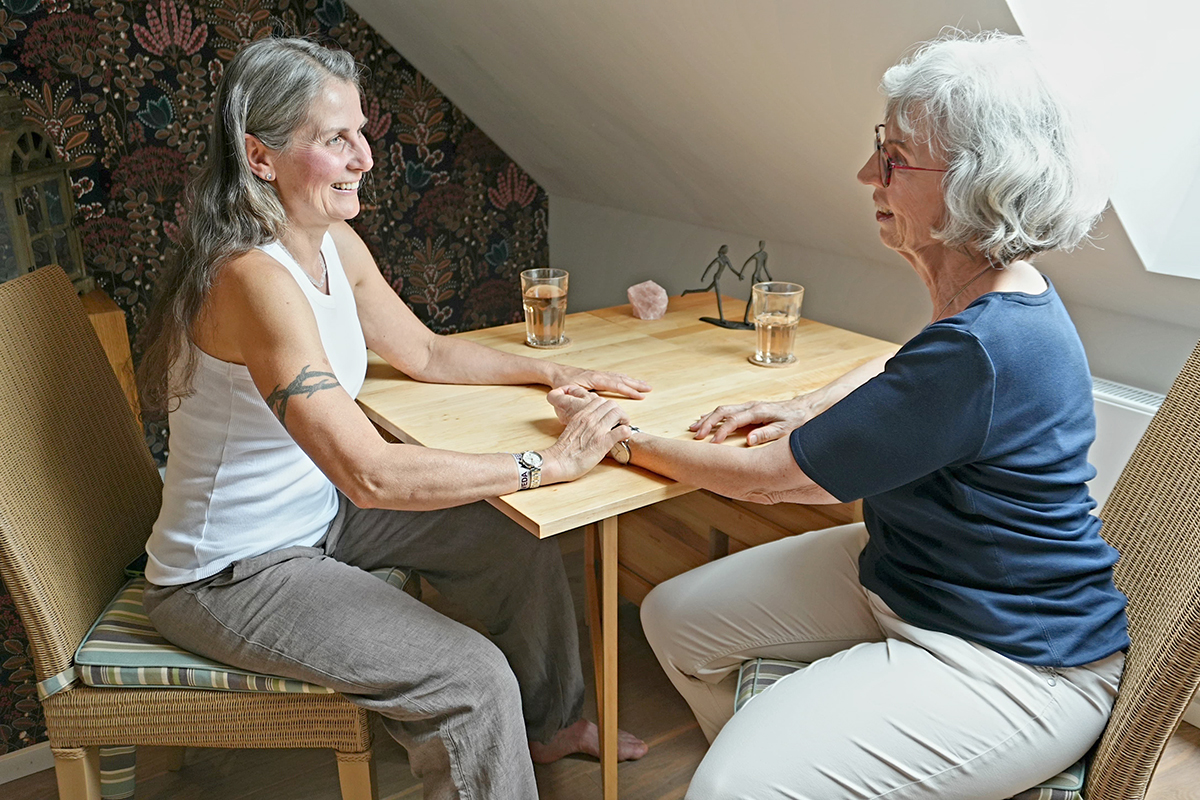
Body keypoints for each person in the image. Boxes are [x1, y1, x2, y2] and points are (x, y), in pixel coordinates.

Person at [550, 31, 1128, 799]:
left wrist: (617, 439)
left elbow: (769, 479)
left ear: (973, 184)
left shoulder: (990, 344)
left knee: (728, 786)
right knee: (677, 619)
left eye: (892, 158)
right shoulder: (991, 303)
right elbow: (907, 362)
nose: (866, 174)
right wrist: (805, 400)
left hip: (1011, 657)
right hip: (912, 573)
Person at [135, 37, 649, 800]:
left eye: (362, 134)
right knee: (470, 680)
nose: (364, 158)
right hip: (233, 574)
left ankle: (549, 729)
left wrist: (554, 369)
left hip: (319, 515)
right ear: (261, 156)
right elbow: (370, 473)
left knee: (513, 538)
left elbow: (428, 354)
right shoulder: (250, 280)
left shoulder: (331, 241)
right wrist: (547, 464)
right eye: (335, 140)